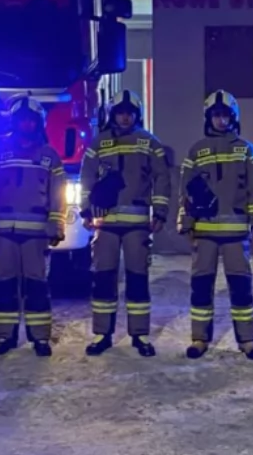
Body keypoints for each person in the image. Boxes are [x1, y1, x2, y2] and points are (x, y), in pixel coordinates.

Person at [80, 90, 172, 358]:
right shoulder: (99, 143)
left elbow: (162, 179)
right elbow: (87, 178)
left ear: (137, 115)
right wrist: (86, 210)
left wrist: (161, 212)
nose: (124, 116)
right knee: (103, 279)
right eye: (120, 112)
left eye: (129, 112)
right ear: (112, 114)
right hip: (105, 223)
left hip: (137, 224)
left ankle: (139, 335)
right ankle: (102, 334)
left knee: (137, 280)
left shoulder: (150, 143)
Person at [178, 90, 253, 360]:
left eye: (225, 115)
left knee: (241, 286)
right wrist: (187, 222)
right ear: (208, 118)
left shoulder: (247, 150)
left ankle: (247, 340)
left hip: (236, 232)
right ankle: (199, 338)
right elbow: (186, 191)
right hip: (204, 233)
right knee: (201, 285)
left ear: (234, 117)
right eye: (216, 115)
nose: (221, 120)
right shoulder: (196, 151)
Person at [0, 96, 67, 357]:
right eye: (22, 120)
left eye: (31, 120)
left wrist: (56, 223)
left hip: (36, 233)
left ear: (38, 123)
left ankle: (40, 338)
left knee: (37, 284)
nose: (27, 124)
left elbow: (58, 193)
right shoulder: (0, 152)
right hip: (5, 232)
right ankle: (5, 336)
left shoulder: (50, 155)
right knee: (5, 283)